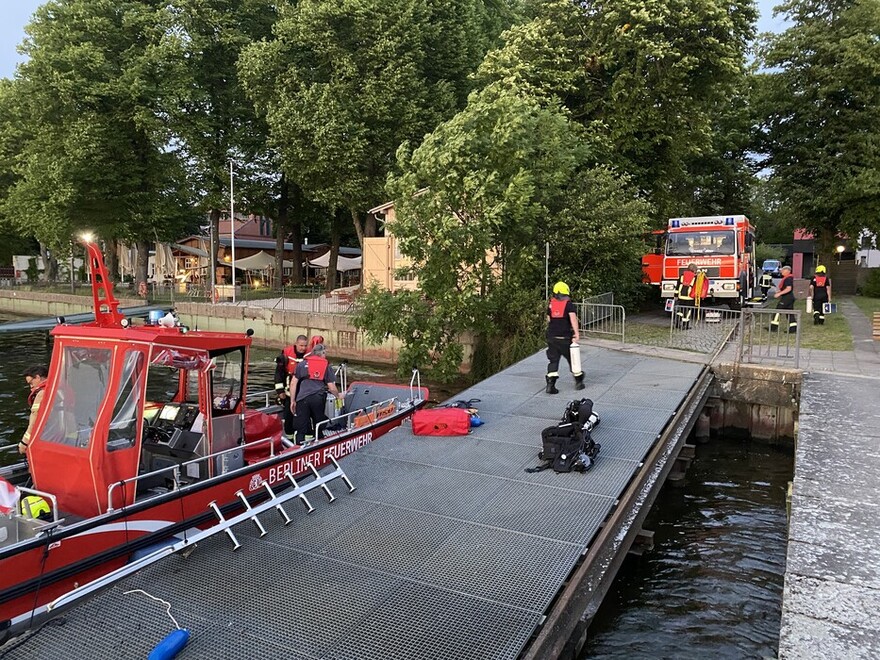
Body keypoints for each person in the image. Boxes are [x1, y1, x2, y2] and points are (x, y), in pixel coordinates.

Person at [290, 343, 340, 445]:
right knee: (319, 423)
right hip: (317, 398)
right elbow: (331, 387)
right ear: (322, 353)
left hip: (301, 399)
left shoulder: (302, 364)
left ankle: (298, 448)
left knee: (301, 428)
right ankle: (320, 443)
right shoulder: (326, 365)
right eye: (325, 353)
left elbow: (293, 383)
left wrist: (292, 401)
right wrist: (338, 396)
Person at [545, 281, 584, 394]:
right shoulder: (568, 304)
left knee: (553, 361)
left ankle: (550, 385)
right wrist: (576, 333)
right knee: (573, 360)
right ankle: (579, 382)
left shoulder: (551, 304)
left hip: (552, 337)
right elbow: (573, 319)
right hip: (565, 338)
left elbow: (548, 319)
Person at [274, 335, 309, 439]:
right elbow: (278, 374)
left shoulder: (310, 354)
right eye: (301, 345)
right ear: (296, 344)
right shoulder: (286, 355)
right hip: (289, 393)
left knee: (304, 418)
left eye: (305, 346)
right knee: (289, 418)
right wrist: (280, 391)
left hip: (304, 394)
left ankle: (304, 439)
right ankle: (290, 440)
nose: (303, 348)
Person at [19, 366, 49, 454]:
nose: (31, 387)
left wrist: (24, 442)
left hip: (47, 439)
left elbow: (35, 421)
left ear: (38, 377)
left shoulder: (41, 394)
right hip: (66, 436)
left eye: (31, 383)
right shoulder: (62, 388)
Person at [674, 264, 709, 329]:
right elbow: (699, 285)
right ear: (694, 270)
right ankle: (685, 325)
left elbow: (677, 286)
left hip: (681, 295)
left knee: (680, 311)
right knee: (688, 312)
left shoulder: (682, 275)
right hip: (689, 296)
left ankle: (677, 323)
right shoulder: (695, 277)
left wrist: (676, 295)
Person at [771, 265, 797, 333]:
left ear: (788, 271)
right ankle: (793, 328)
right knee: (790, 313)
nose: (781, 271)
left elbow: (788, 288)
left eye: (783, 270)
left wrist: (779, 294)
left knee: (777, 311)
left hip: (787, 298)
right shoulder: (788, 278)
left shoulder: (788, 279)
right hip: (789, 297)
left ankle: (773, 327)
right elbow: (785, 288)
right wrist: (778, 291)